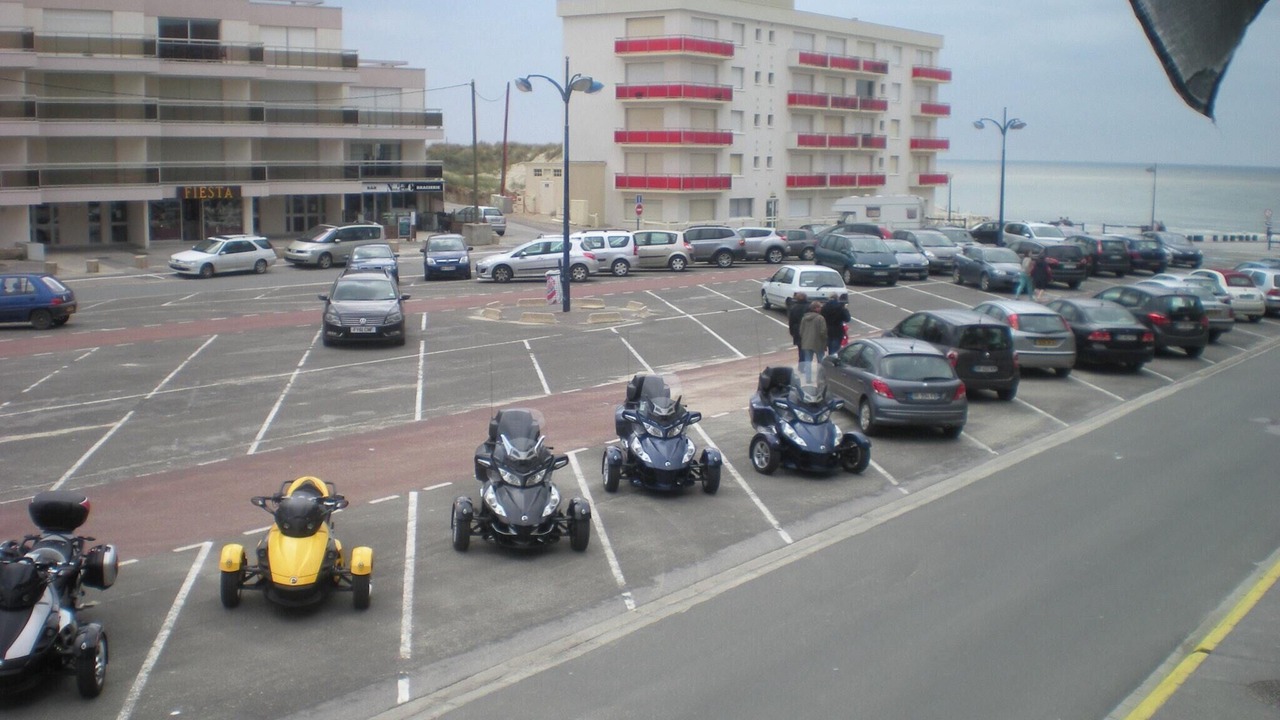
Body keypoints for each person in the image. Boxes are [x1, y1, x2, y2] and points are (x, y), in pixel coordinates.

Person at [821, 293, 851, 357]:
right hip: (837, 331)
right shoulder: (840, 307)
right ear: (837, 298)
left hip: (827, 330)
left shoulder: (824, 307)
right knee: (835, 350)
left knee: (829, 348)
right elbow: (847, 319)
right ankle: (833, 363)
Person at [787, 291, 809, 362]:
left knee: (800, 348)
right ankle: (805, 364)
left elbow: (791, 321)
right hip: (807, 329)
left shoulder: (794, 308)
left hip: (797, 329)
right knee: (807, 348)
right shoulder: (808, 307)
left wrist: (791, 331)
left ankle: (801, 365)